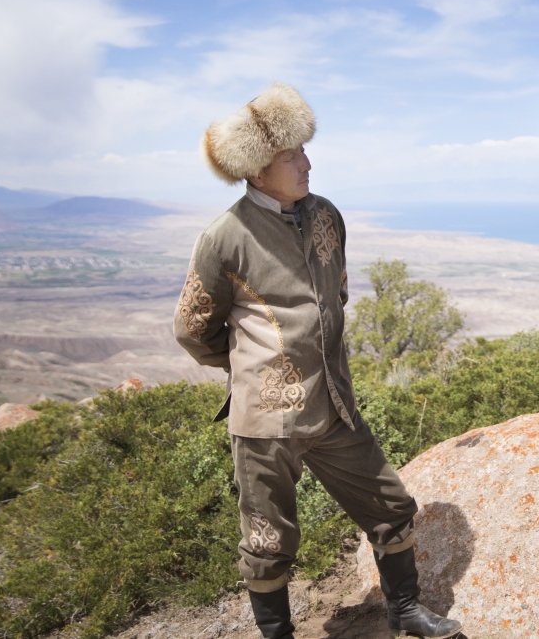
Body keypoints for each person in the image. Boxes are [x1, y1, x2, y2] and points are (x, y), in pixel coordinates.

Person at [175, 83, 463, 639]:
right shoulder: (224, 237)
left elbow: (338, 294)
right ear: (258, 170)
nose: (307, 163)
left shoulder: (326, 215)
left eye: (304, 151)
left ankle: (404, 611)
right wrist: (251, 366)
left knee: (390, 505)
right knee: (268, 540)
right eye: (292, 156)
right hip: (266, 420)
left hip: (332, 404)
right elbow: (192, 328)